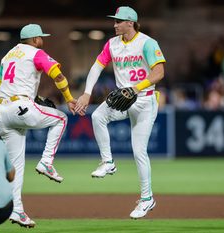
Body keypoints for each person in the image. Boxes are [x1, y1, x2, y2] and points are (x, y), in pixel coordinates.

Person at [75, 6, 166, 219]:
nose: (114, 25)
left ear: (130, 23)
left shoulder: (147, 42)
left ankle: (147, 199)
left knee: (138, 151)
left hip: (144, 101)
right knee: (97, 116)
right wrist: (87, 93)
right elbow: (96, 67)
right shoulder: (112, 44)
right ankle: (108, 162)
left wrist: (136, 88)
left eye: (118, 21)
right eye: (114, 21)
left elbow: (159, 72)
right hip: (123, 99)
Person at [0, 23, 77, 227]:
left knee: (16, 165)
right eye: (41, 37)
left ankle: (17, 210)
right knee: (61, 119)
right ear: (34, 40)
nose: (42, 40)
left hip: (1, 112)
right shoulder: (36, 52)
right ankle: (46, 162)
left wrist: (33, 96)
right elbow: (57, 75)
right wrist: (69, 98)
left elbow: (2, 82)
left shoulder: (7, 56)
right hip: (20, 107)